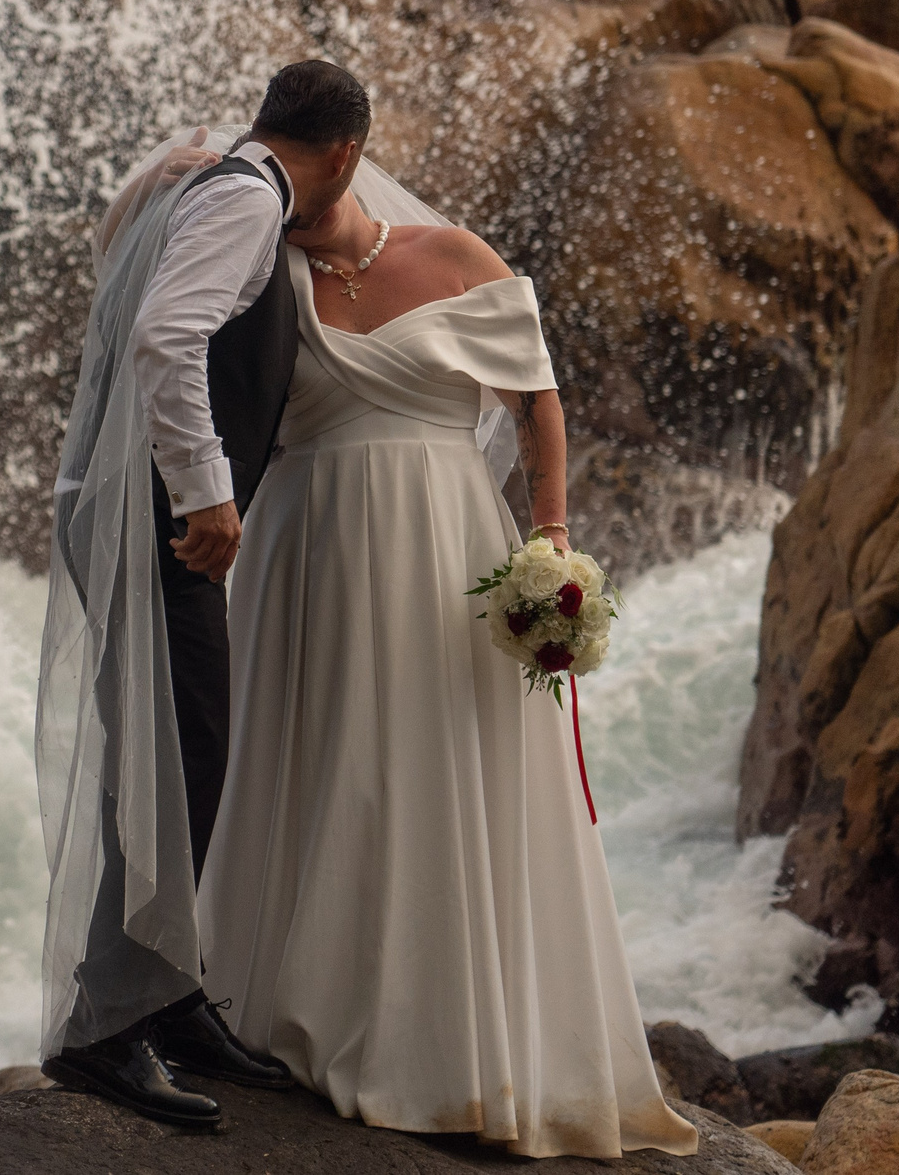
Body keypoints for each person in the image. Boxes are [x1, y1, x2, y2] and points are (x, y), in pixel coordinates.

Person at [192, 137, 703, 1158]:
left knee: (439, 767)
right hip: (308, 558)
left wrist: (550, 537)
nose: (284, 206)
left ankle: (465, 1042)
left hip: (445, 540)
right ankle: (303, 1009)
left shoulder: (456, 256)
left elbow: (536, 398)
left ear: (345, 160)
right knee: (331, 768)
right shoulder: (262, 275)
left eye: (300, 185)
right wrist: (182, 174)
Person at [34, 62, 372, 1130]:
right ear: (345, 154)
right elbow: (165, 334)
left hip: (132, 510)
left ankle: (164, 994)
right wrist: (207, 494)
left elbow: (123, 273)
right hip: (155, 517)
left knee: (180, 752)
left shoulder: (210, 179)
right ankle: (101, 1028)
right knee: (177, 760)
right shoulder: (247, 202)